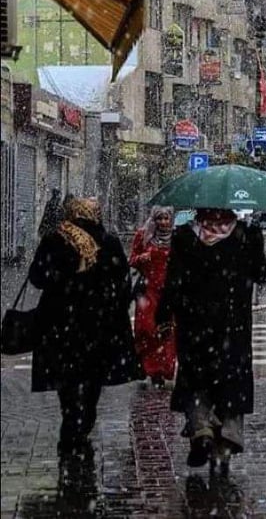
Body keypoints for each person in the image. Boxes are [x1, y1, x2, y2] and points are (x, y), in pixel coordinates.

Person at [27, 197, 142, 478]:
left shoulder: (56, 239)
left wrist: (62, 282)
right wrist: (112, 307)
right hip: (99, 328)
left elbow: (37, 277)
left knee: (67, 381)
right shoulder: (109, 242)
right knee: (91, 380)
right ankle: (82, 423)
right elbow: (122, 284)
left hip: (60, 326)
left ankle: (72, 422)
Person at [156, 208, 266, 473]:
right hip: (233, 324)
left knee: (196, 379)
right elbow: (260, 273)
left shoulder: (186, 236)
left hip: (195, 323)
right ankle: (227, 437)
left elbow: (174, 280)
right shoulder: (245, 234)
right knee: (232, 380)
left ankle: (201, 428)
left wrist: (164, 313)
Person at [129, 206, 176, 388]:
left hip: (169, 292)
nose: (163, 222)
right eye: (159, 219)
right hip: (148, 291)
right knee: (147, 330)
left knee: (168, 331)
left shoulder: (176, 238)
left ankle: (164, 368)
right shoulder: (143, 235)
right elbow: (132, 259)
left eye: (166, 218)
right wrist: (141, 258)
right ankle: (149, 367)